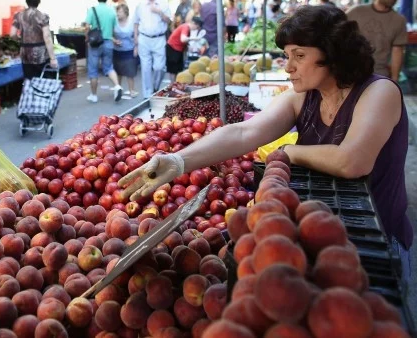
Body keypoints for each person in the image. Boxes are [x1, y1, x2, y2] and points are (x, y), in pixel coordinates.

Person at [119, 5, 412, 282]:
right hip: (325, 232)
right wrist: (179, 160)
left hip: (378, 241)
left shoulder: (379, 92)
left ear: (334, 53)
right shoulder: (305, 96)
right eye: (286, 56)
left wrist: (288, 152)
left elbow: (352, 161)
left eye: (299, 56)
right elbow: (243, 133)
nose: (288, 67)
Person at [346, 0, 407, 82]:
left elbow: (397, 51)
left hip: (379, 76)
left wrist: (395, 78)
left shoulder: (399, 20)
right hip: (350, 73)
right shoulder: (356, 11)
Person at [85, 0, 123, 103]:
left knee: (93, 70)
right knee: (109, 67)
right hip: (108, 43)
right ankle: (117, 86)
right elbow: (114, 29)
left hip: (95, 44)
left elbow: (87, 26)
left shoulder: (92, 10)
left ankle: (93, 95)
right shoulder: (112, 11)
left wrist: (87, 38)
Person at [133, 0, 171, 98]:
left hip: (159, 38)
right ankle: (147, 95)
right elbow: (136, 22)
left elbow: (169, 21)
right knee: (145, 68)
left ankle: (155, 87)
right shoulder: (140, 5)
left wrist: (159, 12)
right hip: (144, 38)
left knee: (160, 67)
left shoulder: (164, 4)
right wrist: (136, 38)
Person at [11, 0, 58, 79]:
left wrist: (20, 39)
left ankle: (29, 91)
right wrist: (53, 58)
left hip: (25, 52)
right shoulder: (42, 16)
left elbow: (12, 34)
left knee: (29, 79)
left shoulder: (18, 15)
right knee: (41, 80)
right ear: (38, 2)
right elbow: (47, 37)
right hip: (40, 53)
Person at [166, 16, 203, 81]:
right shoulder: (185, 27)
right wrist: (195, 39)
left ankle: (174, 83)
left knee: (178, 69)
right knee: (173, 70)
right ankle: (172, 84)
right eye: (197, 28)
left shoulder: (186, 28)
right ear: (194, 24)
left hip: (177, 49)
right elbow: (183, 39)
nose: (196, 29)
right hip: (173, 48)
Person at [113, 3, 138, 98]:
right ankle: (118, 89)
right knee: (118, 70)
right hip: (117, 50)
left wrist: (136, 48)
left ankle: (131, 90)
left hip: (129, 50)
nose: (118, 14)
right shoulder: (114, 22)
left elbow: (136, 36)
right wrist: (114, 41)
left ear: (125, 13)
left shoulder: (131, 23)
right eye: (117, 12)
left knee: (129, 72)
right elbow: (109, 34)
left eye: (120, 12)